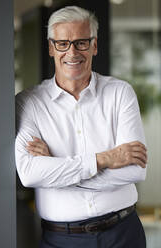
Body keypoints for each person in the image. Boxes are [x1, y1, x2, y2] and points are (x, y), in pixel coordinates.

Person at [15, 6, 147, 248]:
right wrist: (104, 159)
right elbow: (30, 173)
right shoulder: (28, 103)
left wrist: (56, 168)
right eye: (63, 43)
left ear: (95, 45)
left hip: (123, 234)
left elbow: (135, 171)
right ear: (51, 48)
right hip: (62, 240)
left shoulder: (120, 93)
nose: (72, 52)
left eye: (81, 42)